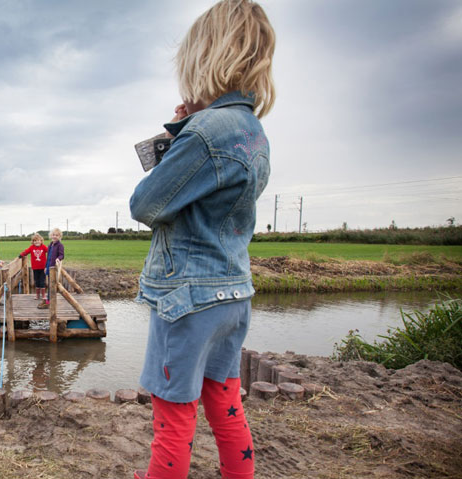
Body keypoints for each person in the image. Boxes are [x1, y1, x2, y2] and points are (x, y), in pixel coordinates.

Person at [129, 1, 275, 478]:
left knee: (173, 416)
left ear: (204, 58)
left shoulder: (206, 132)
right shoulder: (254, 134)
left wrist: (182, 131)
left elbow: (146, 204)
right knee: (225, 403)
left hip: (188, 299)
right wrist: (186, 125)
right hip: (234, 294)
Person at [37, 228, 64, 309]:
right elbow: (48, 257)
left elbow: (62, 255)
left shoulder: (60, 245)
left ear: (59, 236)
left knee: (52, 285)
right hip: (49, 266)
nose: (54, 236)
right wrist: (46, 266)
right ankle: (49, 300)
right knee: (49, 284)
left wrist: (58, 258)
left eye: (56, 235)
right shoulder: (50, 245)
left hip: (54, 268)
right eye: (53, 235)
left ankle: (49, 301)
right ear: (51, 236)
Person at [19, 233, 49, 302]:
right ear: (33, 242)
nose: (36, 242)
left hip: (43, 268)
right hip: (35, 268)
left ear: (41, 241)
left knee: (42, 281)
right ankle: (37, 295)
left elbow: (49, 251)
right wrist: (21, 255)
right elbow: (26, 251)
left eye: (38, 240)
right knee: (36, 281)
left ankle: (43, 295)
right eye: (35, 241)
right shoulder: (32, 247)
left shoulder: (43, 247)